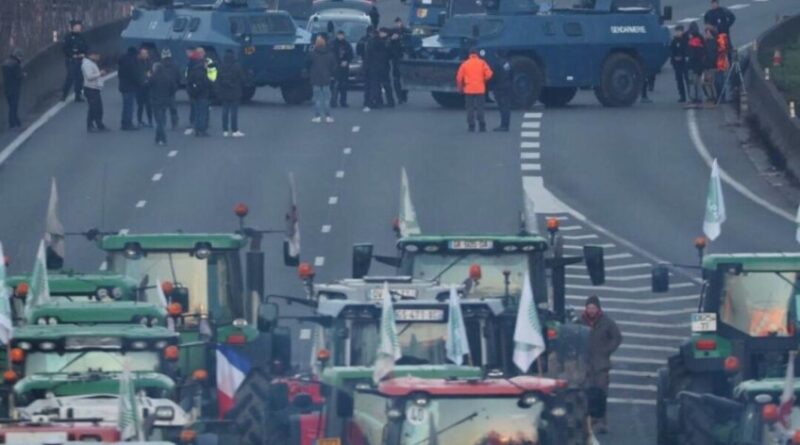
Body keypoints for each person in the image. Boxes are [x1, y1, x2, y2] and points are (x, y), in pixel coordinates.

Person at [579, 295, 622, 435]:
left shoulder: (606, 322)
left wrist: (607, 350)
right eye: (589, 307)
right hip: (585, 364)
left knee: (601, 393)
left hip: (601, 364)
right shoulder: (580, 321)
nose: (591, 310)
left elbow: (617, 337)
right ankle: (587, 422)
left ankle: (601, 422)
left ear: (598, 308)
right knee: (585, 393)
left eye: (593, 307)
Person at [456, 48, 493, 132]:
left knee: (470, 108)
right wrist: (483, 79)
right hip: (480, 89)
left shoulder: (465, 64)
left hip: (469, 89)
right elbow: (489, 74)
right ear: (477, 54)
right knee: (480, 107)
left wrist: (460, 87)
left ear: (469, 54)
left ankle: (471, 125)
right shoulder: (482, 63)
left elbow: (458, 78)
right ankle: (482, 125)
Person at [149, 52, 180, 145]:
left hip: (156, 101)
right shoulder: (168, 77)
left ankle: (163, 138)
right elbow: (174, 86)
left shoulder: (153, 77)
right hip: (166, 100)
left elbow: (147, 86)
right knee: (162, 118)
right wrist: (169, 94)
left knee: (159, 121)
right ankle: (158, 138)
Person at [217, 49, 246, 137]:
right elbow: (242, 79)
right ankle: (234, 130)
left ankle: (225, 130)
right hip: (235, 91)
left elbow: (218, 79)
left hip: (224, 91)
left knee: (225, 111)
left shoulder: (221, 66)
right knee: (234, 112)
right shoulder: (236, 66)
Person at [308, 35, 337, 123]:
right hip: (326, 78)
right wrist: (331, 74)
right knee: (327, 98)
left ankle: (317, 116)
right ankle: (328, 116)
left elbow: (307, 64)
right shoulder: (330, 55)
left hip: (315, 78)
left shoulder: (312, 54)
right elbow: (334, 66)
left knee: (317, 99)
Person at [186, 48, 214, 136]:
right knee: (202, 113)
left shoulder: (192, 66)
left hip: (194, 93)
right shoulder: (201, 71)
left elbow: (188, 78)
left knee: (197, 112)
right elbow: (205, 82)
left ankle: (197, 129)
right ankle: (201, 130)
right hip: (202, 94)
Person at [367, 28, 394, 109]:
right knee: (384, 84)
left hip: (376, 66)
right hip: (383, 66)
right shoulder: (387, 43)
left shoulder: (373, 42)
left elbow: (368, 55)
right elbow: (390, 54)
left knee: (376, 85)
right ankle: (388, 101)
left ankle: (377, 101)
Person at [61, 20, 88, 102]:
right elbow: (65, 48)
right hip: (71, 60)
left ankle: (78, 96)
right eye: (77, 26)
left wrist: (83, 53)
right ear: (73, 27)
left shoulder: (82, 37)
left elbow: (86, 47)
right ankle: (64, 95)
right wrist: (72, 54)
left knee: (79, 78)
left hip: (80, 60)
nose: (79, 28)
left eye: (79, 26)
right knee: (70, 78)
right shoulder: (68, 37)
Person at [81, 50, 107, 132]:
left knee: (98, 108)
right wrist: (100, 73)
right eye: (97, 56)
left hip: (95, 88)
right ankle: (91, 125)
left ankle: (98, 124)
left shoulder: (92, 63)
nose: (99, 58)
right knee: (93, 108)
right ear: (92, 55)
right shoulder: (87, 64)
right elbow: (89, 76)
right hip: (90, 88)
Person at [157, 48, 181, 130]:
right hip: (172, 90)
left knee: (162, 109)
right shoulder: (175, 65)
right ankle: (174, 123)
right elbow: (178, 78)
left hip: (161, 91)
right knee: (173, 108)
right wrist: (175, 87)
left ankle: (162, 124)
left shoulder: (158, 65)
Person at [117, 47, 140, 130]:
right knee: (129, 106)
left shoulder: (122, 61)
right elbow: (134, 75)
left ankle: (124, 122)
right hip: (130, 86)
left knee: (125, 106)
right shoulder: (132, 62)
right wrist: (139, 83)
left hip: (123, 86)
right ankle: (128, 123)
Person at [330, 30, 354, 108]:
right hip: (335, 68)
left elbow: (351, 55)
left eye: (342, 35)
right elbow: (330, 55)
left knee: (344, 85)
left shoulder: (347, 44)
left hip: (344, 68)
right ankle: (333, 102)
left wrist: (347, 61)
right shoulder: (333, 44)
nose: (340, 36)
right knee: (335, 85)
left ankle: (343, 102)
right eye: (339, 35)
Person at [489, 51, 511, 132]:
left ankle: (503, 126)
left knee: (502, 107)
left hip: (499, 87)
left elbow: (493, 77)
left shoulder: (496, 64)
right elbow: (512, 74)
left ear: (497, 55)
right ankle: (506, 124)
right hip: (507, 86)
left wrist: (491, 87)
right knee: (507, 106)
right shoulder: (507, 64)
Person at [2, 48, 24, 129]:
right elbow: (18, 76)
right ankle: (13, 124)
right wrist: (24, 75)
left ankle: (17, 122)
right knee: (14, 107)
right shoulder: (15, 64)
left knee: (11, 106)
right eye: (21, 57)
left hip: (7, 89)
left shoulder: (6, 63)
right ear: (18, 56)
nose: (21, 59)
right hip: (14, 89)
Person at [390, 18, 409, 104]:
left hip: (404, 59)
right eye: (396, 23)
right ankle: (400, 97)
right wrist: (392, 39)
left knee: (405, 79)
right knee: (396, 80)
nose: (397, 24)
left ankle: (404, 95)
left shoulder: (406, 31)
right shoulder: (392, 32)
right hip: (396, 59)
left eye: (398, 22)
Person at [686, 22, 705, 108]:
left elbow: (691, 54)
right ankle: (699, 98)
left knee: (692, 82)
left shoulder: (691, 41)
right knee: (698, 82)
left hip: (693, 64)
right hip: (699, 64)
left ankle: (693, 98)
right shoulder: (701, 39)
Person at [670, 25, 689, 103]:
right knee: (679, 80)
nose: (678, 33)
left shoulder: (686, 39)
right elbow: (671, 51)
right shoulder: (674, 40)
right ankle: (682, 95)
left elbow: (688, 50)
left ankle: (690, 95)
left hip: (685, 62)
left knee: (688, 79)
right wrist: (674, 58)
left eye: (679, 31)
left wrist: (683, 56)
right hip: (677, 63)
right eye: (677, 31)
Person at [136, 47, 154, 128]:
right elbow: (138, 73)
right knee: (140, 105)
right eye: (143, 54)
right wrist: (145, 76)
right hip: (140, 87)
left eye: (146, 53)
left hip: (148, 87)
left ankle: (150, 121)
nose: (145, 55)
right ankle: (139, 121)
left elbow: (151, 72)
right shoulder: (137, 62)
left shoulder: (149, 62)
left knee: (149, 105)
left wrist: (149, 77)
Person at [358, 26, 375, 111]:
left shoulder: (363, 40)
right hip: (371, 66)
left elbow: (359, 51)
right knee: (371, 85)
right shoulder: (374, 41)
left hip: (366, 65)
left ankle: (367, 101)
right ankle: (370, 101)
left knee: (367, 85)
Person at [702, 26, 719, 106]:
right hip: (706, 66)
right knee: (706, 82)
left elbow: (712, 56)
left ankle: (714, 97)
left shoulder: (713, 43)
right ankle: (710, 97)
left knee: (710, 82)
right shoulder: (706, 42)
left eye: (707, 33)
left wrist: (709, 64)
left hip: (711, 66)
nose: (705, 34)